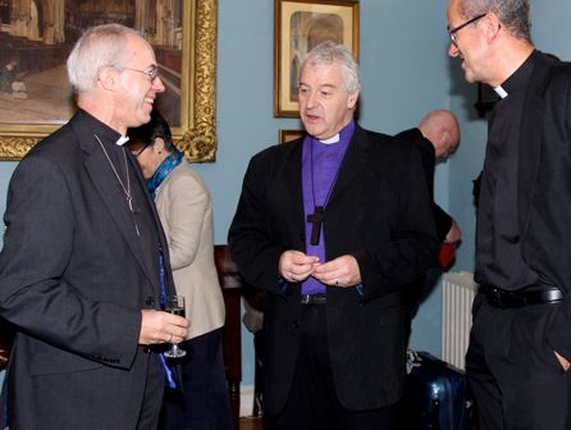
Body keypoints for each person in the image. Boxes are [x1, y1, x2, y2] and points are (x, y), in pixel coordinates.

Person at [447, 0, 571, 430]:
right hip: (492, 332)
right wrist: (483, 320)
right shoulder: (501, 108)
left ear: (489, 25)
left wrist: (565, 343)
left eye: (455, 33)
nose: (452, 49)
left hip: (547, 337)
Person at [228, 41, 439, 430]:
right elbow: (243, 238)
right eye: (304, 90)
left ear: (352, 98)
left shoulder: (396, 160)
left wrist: (364, 268)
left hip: (365, 347)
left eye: (325, 92)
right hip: (290, 343)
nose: (310, 102)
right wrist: (277, 261)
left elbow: (422, 245)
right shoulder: (267, 166)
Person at [0, 23, 190, 430]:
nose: (158, 87)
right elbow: (21, 294)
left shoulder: (123, 158)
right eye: (150, 73)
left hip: (136, 386)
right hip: (73, 399)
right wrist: (132, 326)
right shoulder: (50, 167)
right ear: (107, 77)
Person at [127, 110, 233, 430]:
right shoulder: (162, 183)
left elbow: (182, 252)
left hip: (196, 318)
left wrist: (131, 260)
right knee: (178, 410)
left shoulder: (185, 183)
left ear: (158, 145)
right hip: (176, 315)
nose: (134, 161)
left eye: (136, 152)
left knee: (200, 409)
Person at [396, 109, 462, 262]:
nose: (445, 155)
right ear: (443, 134)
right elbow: (420, 205)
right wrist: (449, 228)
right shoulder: (422, 150)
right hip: (404, 252)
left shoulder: (400, 140)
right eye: (449, 148)